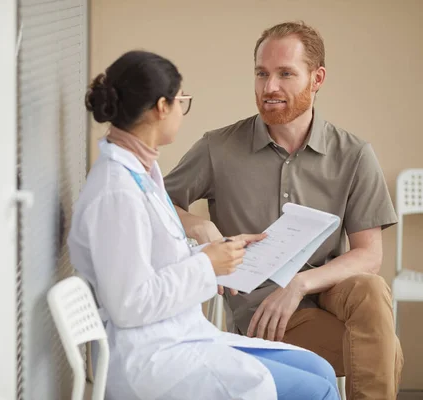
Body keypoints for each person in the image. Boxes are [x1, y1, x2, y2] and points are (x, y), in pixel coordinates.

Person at [68, 50, 340, 400]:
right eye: (182, 100)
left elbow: (154, 261)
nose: (183, 110)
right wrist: (207, 264)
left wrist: (218, 253)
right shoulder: (116, 192)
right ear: (161, 108)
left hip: (176, 337)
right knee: (317, 390)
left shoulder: (139, 176)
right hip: (151, 358)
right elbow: (130, 303)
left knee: (320, 369)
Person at [164, 21, 403, 399]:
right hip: (263, 310)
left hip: (329, 288)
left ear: (317, 78)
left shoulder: (354, 154)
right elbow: (156, 203)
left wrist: (300, 284)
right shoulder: (218, 148)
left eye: (285, 74)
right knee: (384, 352)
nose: (269, 88)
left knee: (371, 290)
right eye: (262, 73)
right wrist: (199, 227)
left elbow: (369, 255)